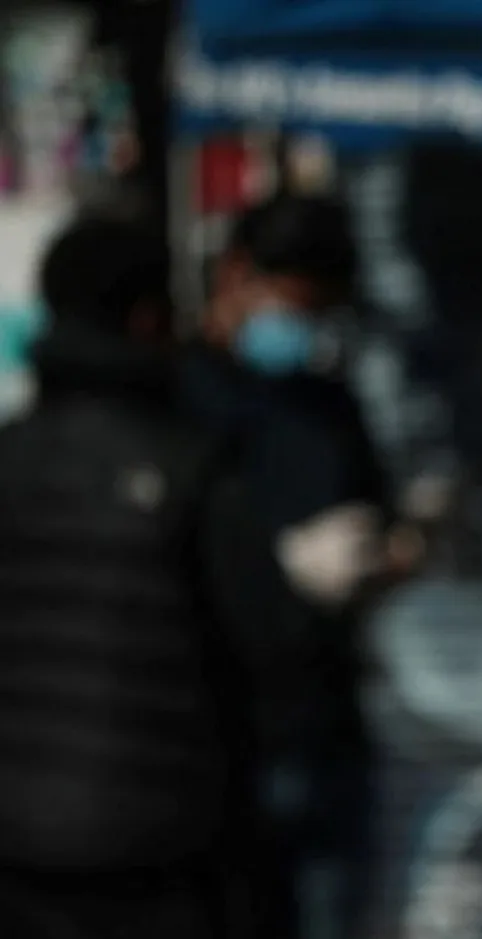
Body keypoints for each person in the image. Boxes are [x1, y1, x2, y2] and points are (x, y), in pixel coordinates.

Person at [0, 212, 276, 938]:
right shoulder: (194, 466)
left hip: (17, 852)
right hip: (161, 852)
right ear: (149, 318)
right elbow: (270, 643)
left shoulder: (10, 457)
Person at [179, 192, 393, 939]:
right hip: (215, 741)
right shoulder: (178, 400)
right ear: (237, 275)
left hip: (323, 727)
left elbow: (381, 519)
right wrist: (271, 571)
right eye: (291, 306)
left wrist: (381, 556)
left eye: (315, 315)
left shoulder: (327, 407)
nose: (296, 331)